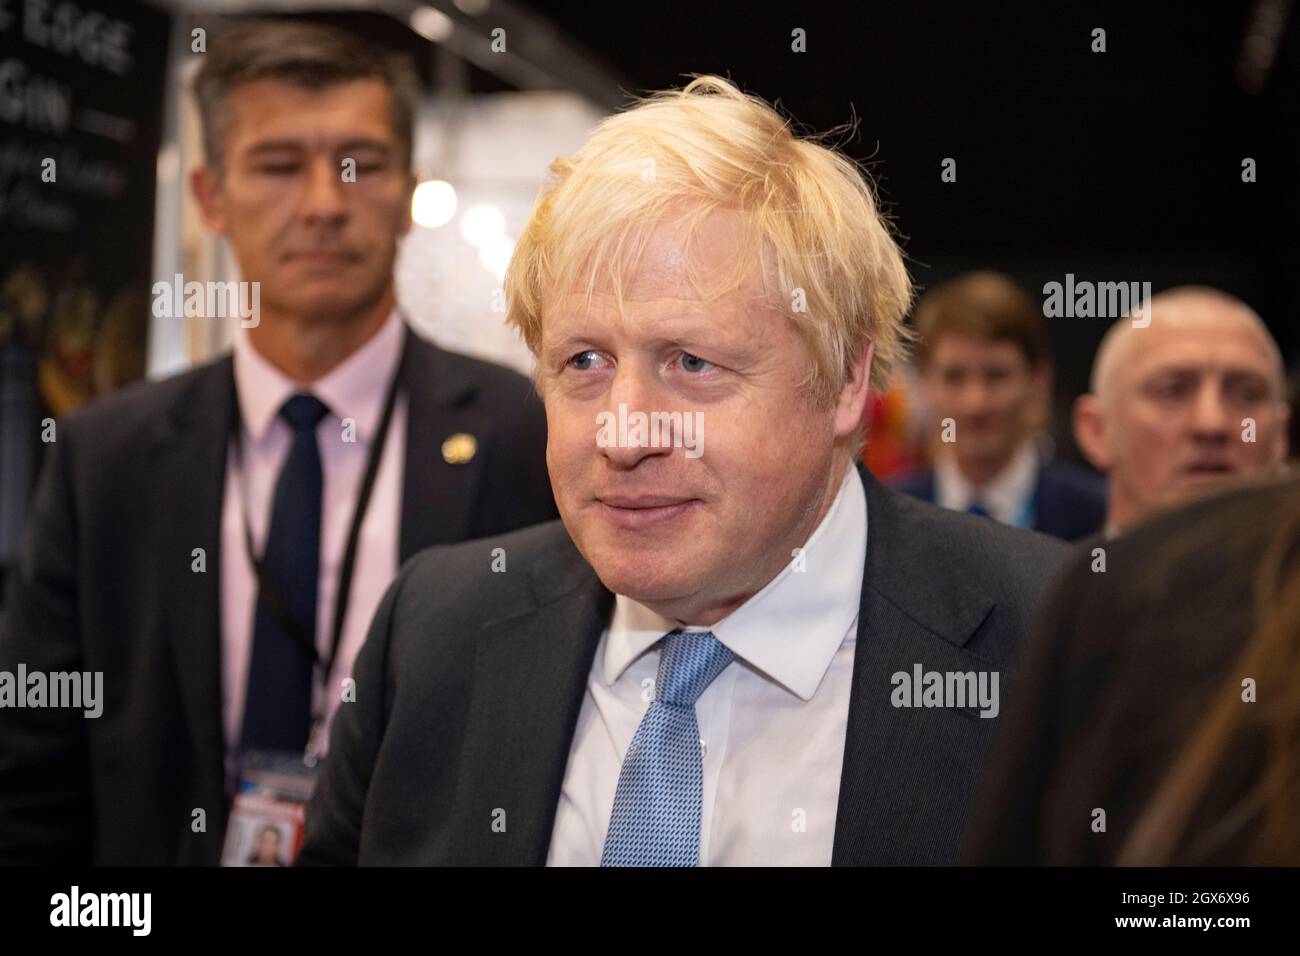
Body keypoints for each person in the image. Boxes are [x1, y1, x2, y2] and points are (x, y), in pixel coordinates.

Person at [297, 76, 1071, 867]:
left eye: (693, 362)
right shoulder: (435, 632)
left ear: (843, 381)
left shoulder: (1058, 644)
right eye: (584, 361)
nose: (626, 433)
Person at [0, 21, 555, 865]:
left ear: (408, 189)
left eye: (360, 164)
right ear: (211, 197)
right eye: (278, 165)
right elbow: (35, 766)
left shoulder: (519, 428)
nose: (325, 204)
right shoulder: (105, 456)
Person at [963, 475, 1300, 865]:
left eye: (1248, 408)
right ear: (1094, 431)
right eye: (1169, 407)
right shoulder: (1096, 593)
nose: (1212, 425)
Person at [892, 271, 1105, 540]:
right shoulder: (888, 516)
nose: (976, 403)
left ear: (1038, 381)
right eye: (954, 377)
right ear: (923, 384)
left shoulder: (1095, 516)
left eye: (996, 375)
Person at [1073, 286, 1288, 541]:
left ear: (1280, 434)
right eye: (1172, 391)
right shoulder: (1046, 580)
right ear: (1096, 430)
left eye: (1247, 395)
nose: (1212, 423)